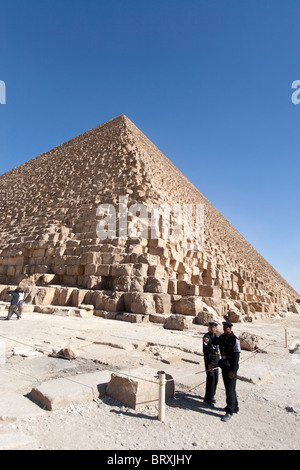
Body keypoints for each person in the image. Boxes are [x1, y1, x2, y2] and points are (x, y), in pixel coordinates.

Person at [217, 321, 241, 422]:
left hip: (231, 366)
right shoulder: (222, 337)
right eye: (224, 327)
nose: (225, 328)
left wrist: (233, 370)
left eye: (227, 327)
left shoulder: (235, 340)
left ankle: (229, 411)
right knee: (229, 387)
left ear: (230, 328)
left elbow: (236, 357)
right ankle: (235, 407)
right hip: (224, 364)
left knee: (230, 389)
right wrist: (207, 339)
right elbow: (215, 341)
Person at [203, 321, 220, 406]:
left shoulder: (216, 336)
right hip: (209, 362)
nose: (212, 329)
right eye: (211, 327)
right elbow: (206, 352)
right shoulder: (206, 337)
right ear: (209, 328)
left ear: (216, 328)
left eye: (214, 327)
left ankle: (212, 396)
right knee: (211, 379)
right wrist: (208, 363)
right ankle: (207, 398)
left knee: (216, 379)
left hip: (216, 361)